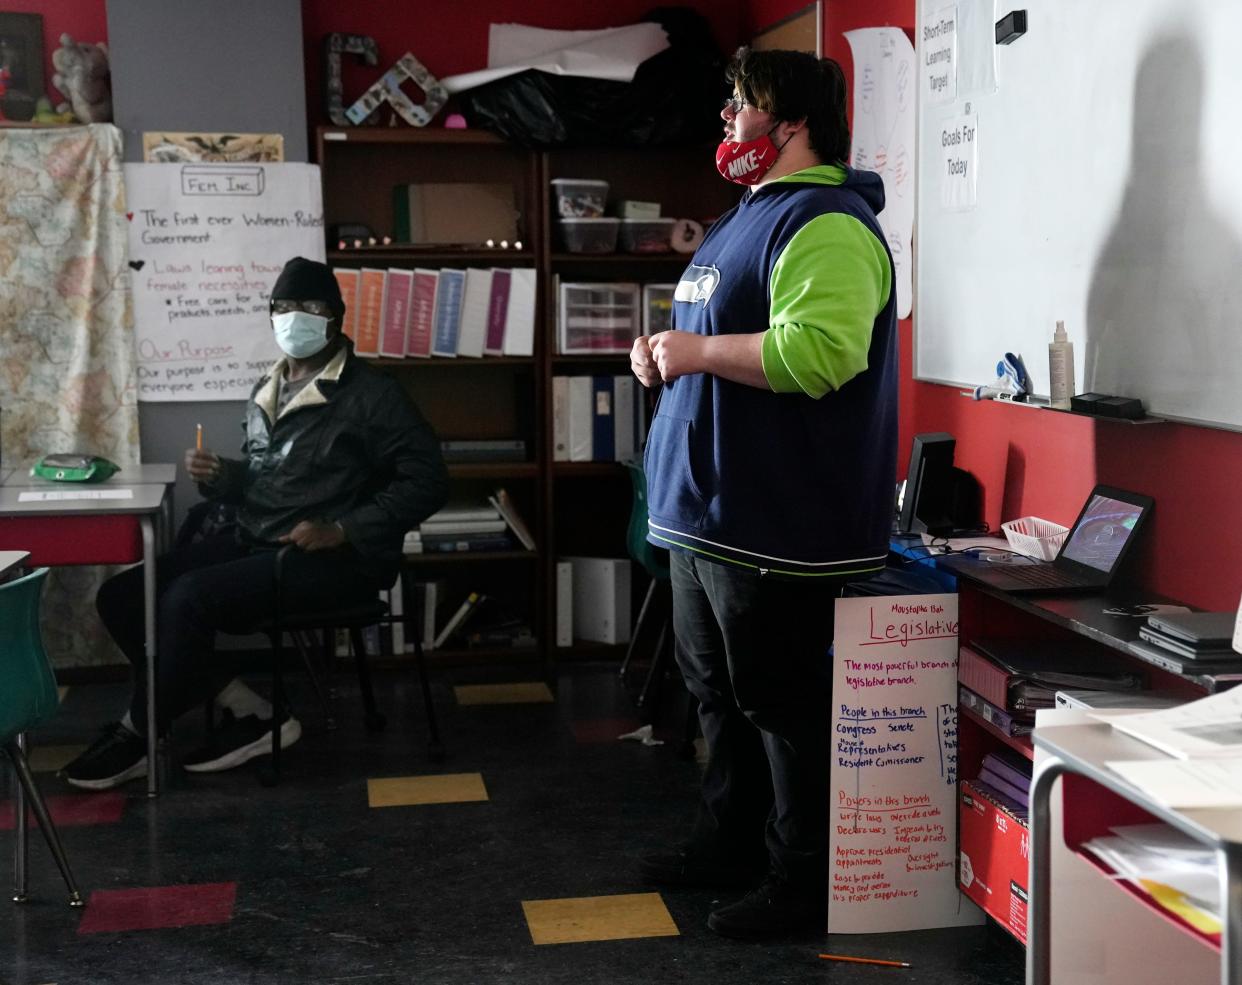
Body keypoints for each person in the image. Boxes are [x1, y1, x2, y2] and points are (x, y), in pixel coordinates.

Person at [630, 48, 898, 939]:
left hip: (775, 522)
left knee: (779, 704)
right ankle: (728, 841)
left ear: (792, 125)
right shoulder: (743, 217)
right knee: (715, 693)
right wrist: (666, 350)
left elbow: (820, 354)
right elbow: (715, 338)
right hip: (704, 513)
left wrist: (698, 352)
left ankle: (800, 879)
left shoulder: (826, 220)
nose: (726, 119)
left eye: (742, 103)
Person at [64, 257, 448, 790]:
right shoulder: (269, 385)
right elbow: (269, 479)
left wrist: (345, 528)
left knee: (188, 598)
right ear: (270, 316)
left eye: (311, 308)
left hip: (334, 560)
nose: (297, 317)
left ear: (336, 318)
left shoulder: (372, 395)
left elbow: (429, 479)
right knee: (126, 594)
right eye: (285, 307)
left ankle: (139, 735)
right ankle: (253, 714)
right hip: (258, 539)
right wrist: (224, 475)